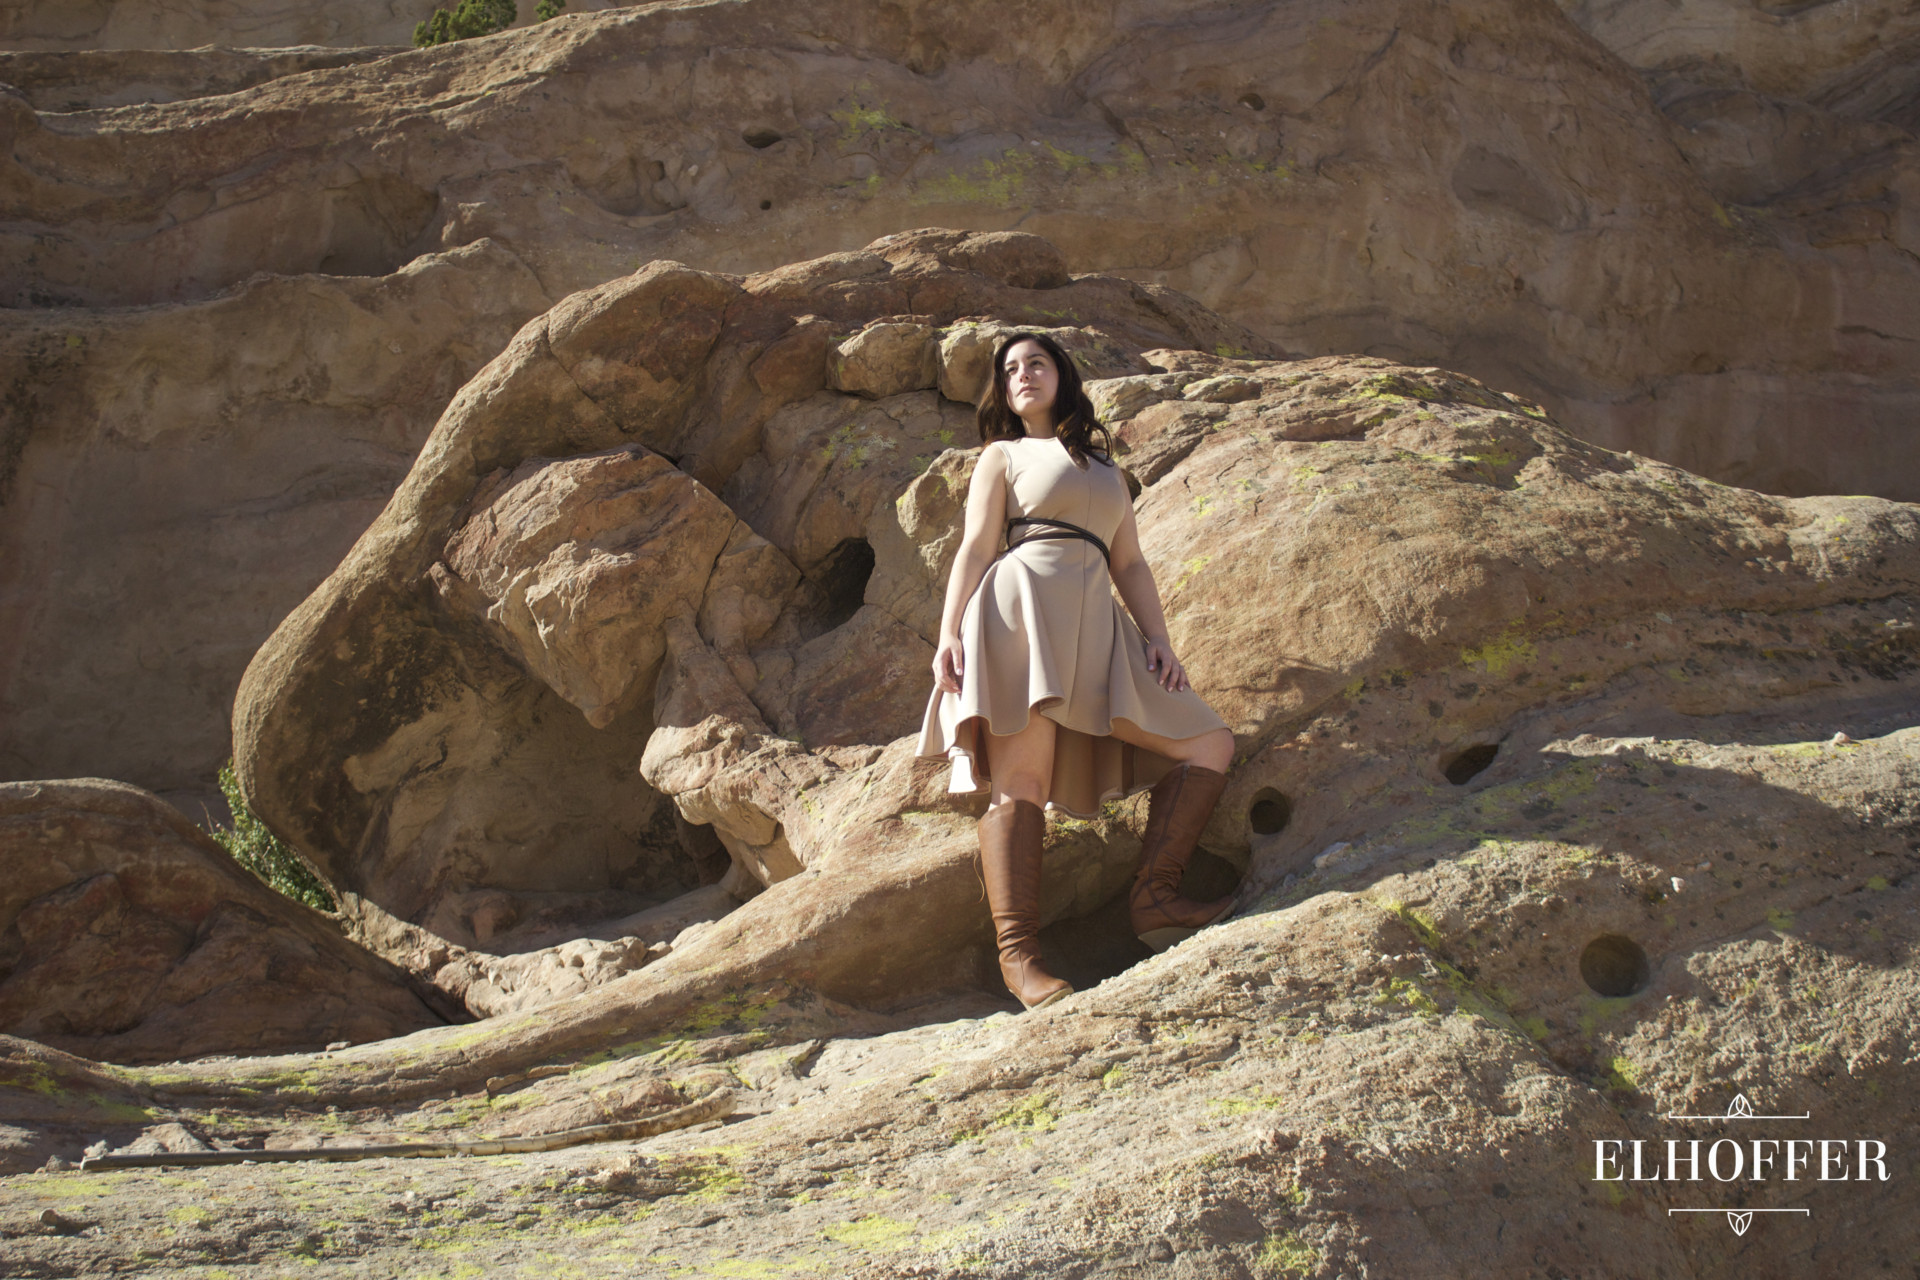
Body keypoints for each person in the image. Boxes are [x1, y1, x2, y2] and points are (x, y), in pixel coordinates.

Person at [914, 332, 1237, 1012]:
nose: (1022, 375)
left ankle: (1156, 897)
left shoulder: (1107, 470)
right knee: (1022, 783)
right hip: (1019, 611)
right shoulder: (1002, 456)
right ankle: (1020, 959)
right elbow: (976, 546)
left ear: (1062, 374)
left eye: (1035, 363)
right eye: (1010, 370)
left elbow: (1131, 563)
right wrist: (947, 633)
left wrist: (1159, 641)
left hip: (1099, 624)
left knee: (1209, 742)